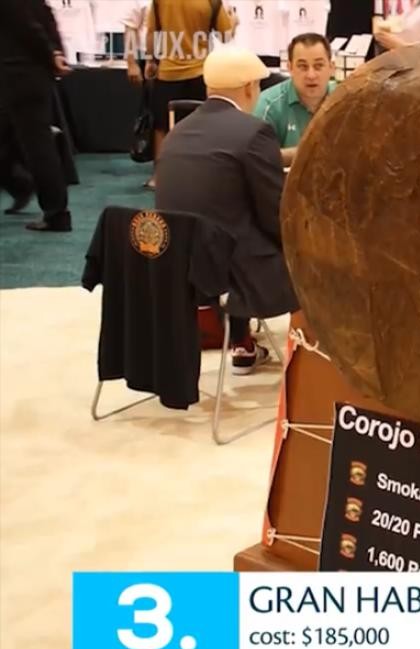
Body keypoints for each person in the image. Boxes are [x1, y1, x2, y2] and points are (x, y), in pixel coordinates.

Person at [155, 45, 298, 375]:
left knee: (230, 224)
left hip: (176, 264)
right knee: (308, 252)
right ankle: (312, 356)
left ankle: (242, 341)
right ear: (249, 88)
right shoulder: (253, 132)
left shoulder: (177, 133)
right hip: (230, 269)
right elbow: (275, 212)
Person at [139, 0, 237, 191]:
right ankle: (200, 175)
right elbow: (226, 36)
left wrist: (150, 60)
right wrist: (234, 20)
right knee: (201, 126)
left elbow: (151, 32)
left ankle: (159, 176)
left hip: (168, 72)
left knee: (162, 127)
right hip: (200, 72)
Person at [0, 0, 73, 231]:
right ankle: (21, 186)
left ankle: (56, 213)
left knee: (38, 147)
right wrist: (56, 52)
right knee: (29, 143)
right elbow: (46, 18)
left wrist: (51, 53)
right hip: (29, 73)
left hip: (17, 73)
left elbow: (29, 26)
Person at [253, 33, 335, 167]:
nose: (311, 75)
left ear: (331, 68)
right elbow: (257, 159)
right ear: (289, 68)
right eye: (302, 66)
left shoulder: (347, 100)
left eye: (318, 66)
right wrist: (308, 153)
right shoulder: (268, 105)